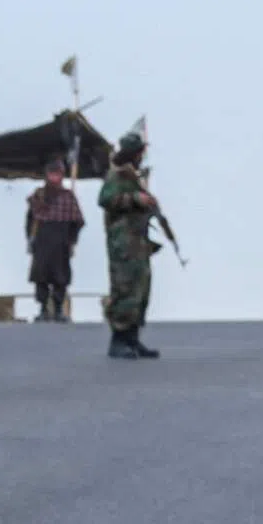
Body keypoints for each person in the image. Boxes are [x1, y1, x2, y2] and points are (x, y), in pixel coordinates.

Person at [98, 132, 161, 359]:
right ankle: (119, 340)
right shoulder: (117, 174)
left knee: (140, 289)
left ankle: (133, 339)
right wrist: (134, 199)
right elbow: (105, 199)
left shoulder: (133, 175)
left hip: (138, 242)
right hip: (123, 243)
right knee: (124, 289)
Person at [25, 159, 84, 322]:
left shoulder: (67, 197)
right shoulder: (38, 196)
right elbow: (30, 221)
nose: (54, 177)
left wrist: (72, 240)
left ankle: (58, 309)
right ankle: (43, 309)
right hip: (42, 241)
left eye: (57, 174)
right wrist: (31, 239)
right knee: (41, 277)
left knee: (61, 277)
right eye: (52, 174)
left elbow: (77, 221)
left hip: (61, 242)